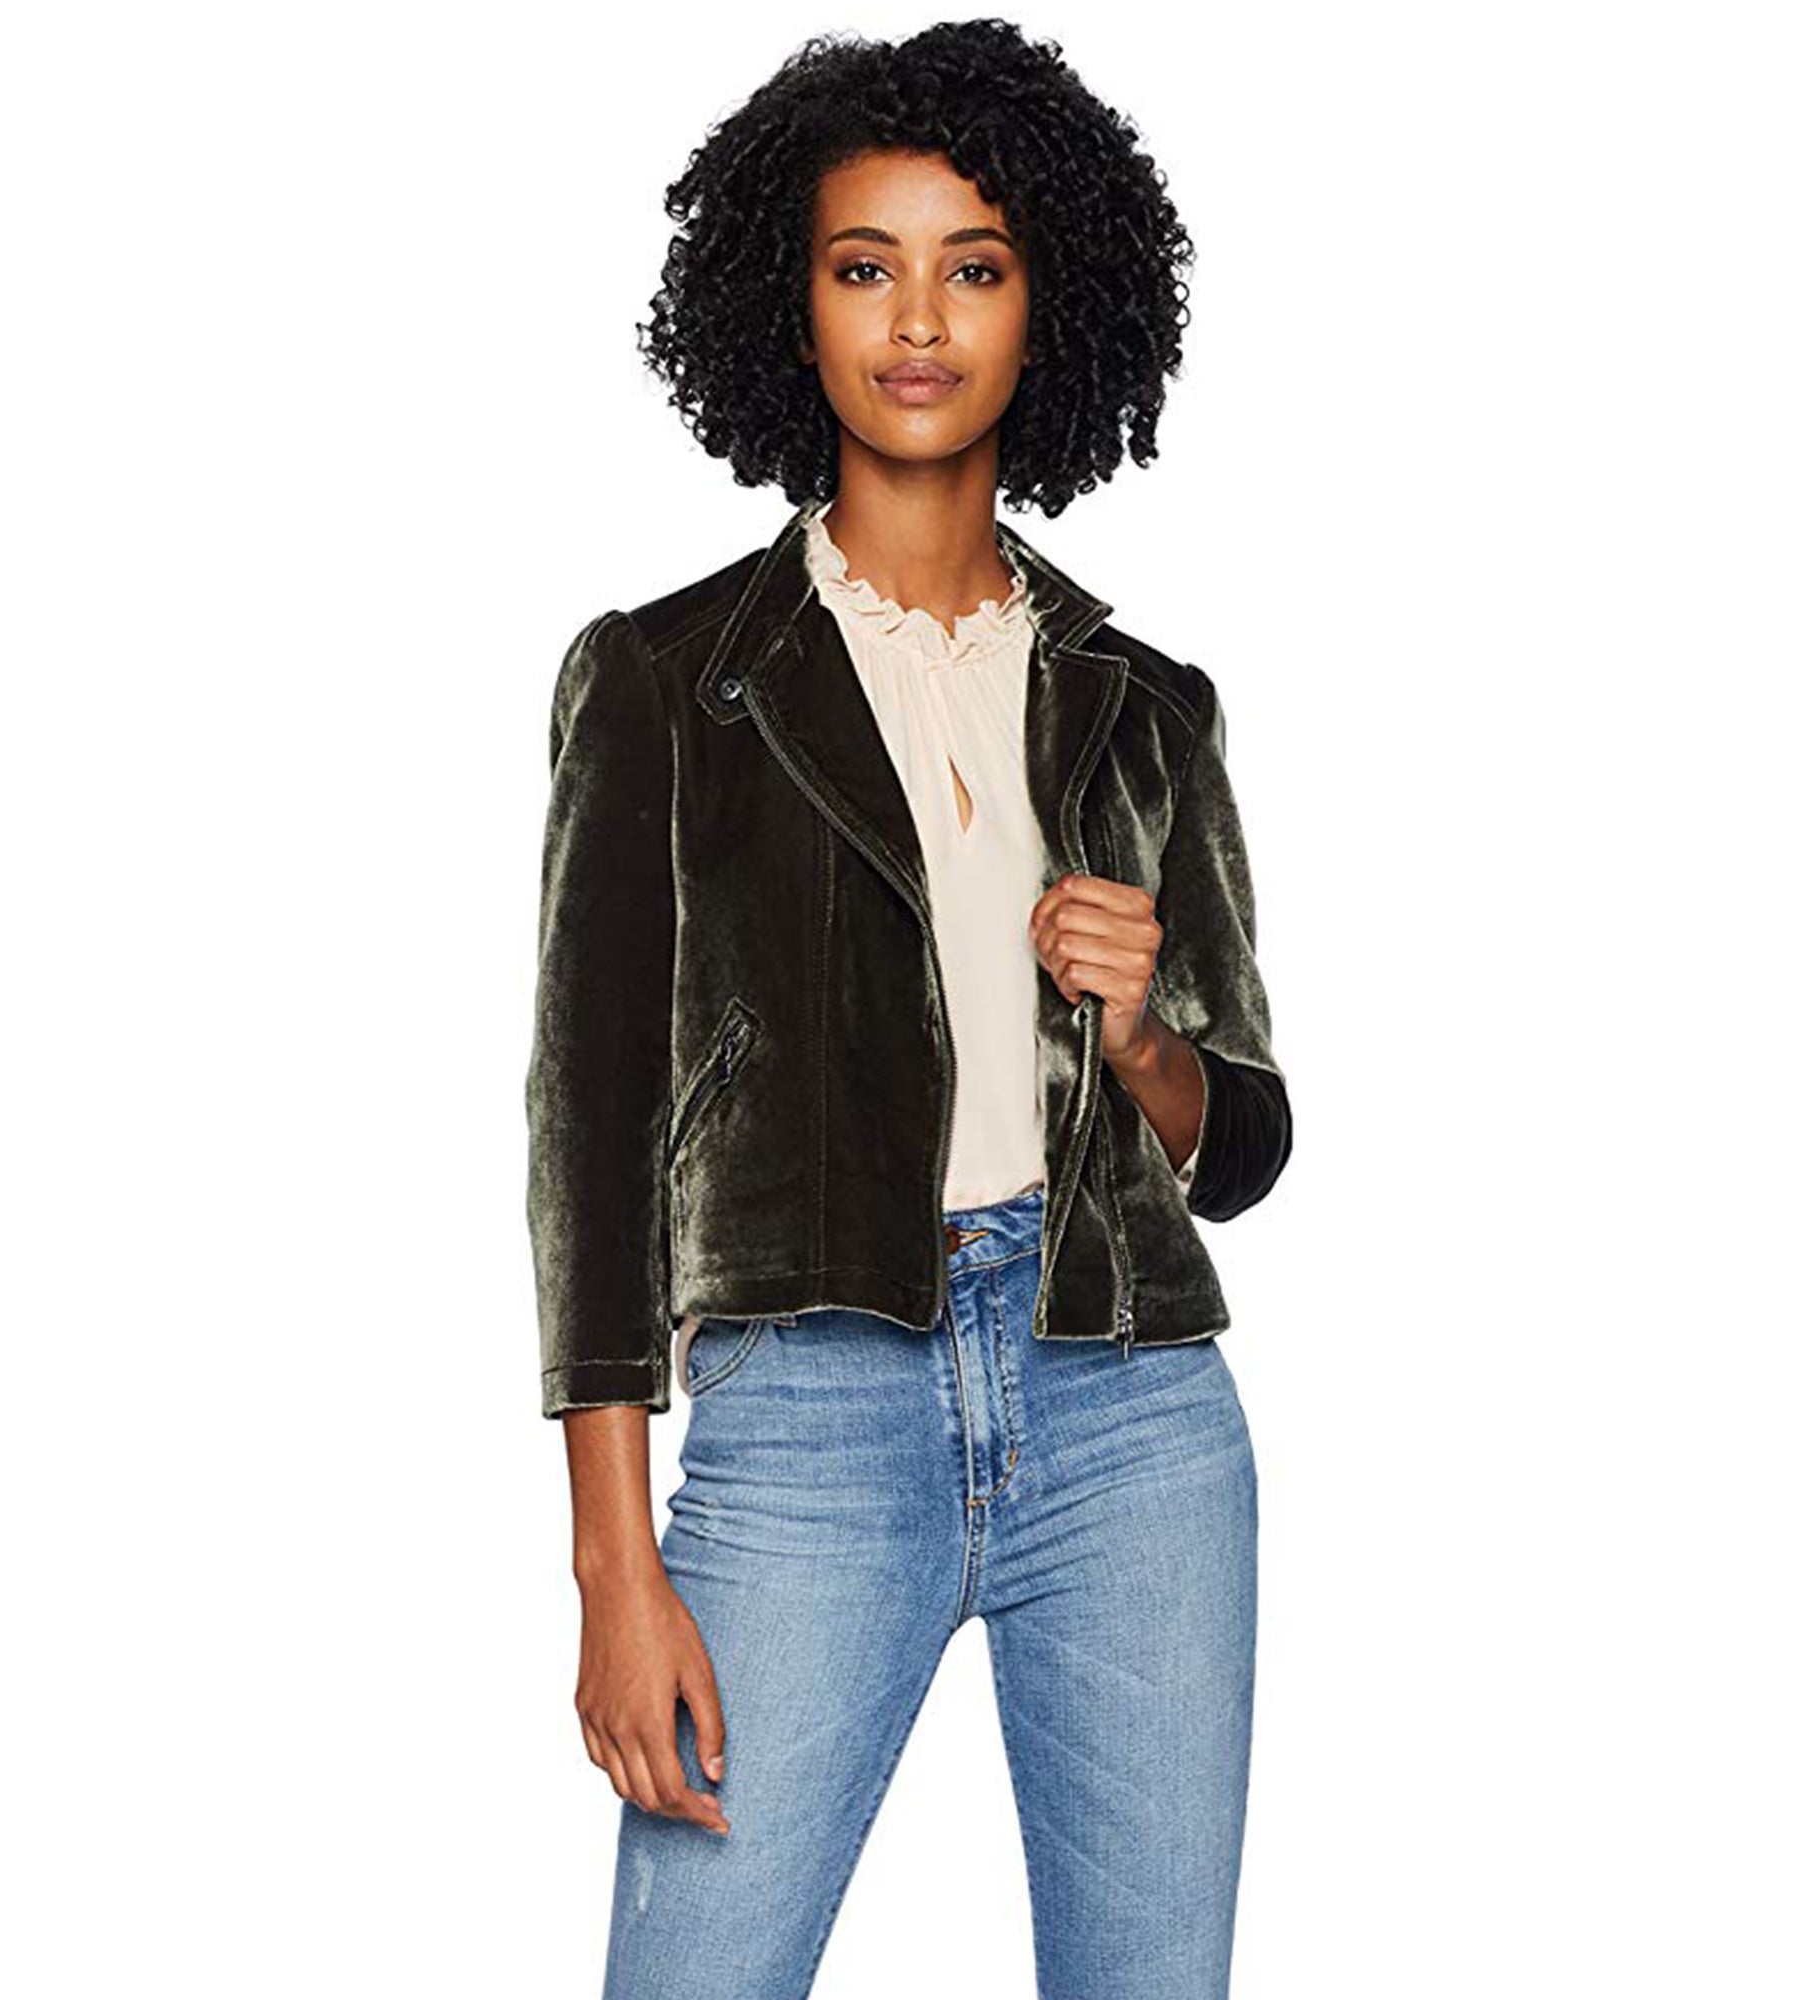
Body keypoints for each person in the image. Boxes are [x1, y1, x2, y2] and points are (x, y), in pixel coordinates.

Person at [524, 22, 1294, 1998]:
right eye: (865, 266)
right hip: (805, 1415)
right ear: (792, 310)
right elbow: (589, 1145)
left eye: (975, 265)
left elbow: (1243, 1147)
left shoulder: (1144, 703)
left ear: (1050, 307)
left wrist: (1143, 1039)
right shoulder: (668, 682)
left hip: (1130, 1412)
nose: (921, 320)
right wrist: (614, 1562)